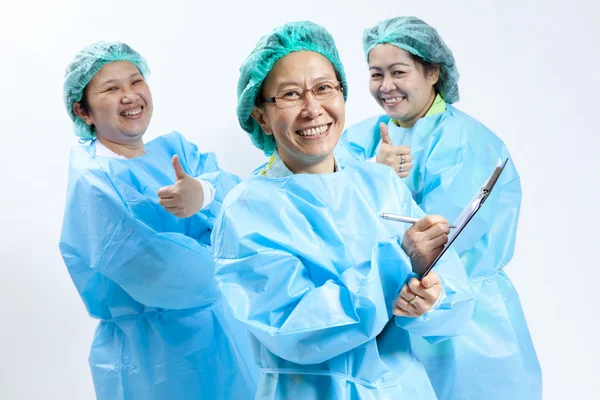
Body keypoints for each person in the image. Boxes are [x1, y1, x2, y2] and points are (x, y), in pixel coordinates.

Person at [212, 21, 475, 399]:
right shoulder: (248, 211)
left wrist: (428, 298)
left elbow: (451, 291)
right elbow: (294, 326)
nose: (312, 109)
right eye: (289, 95)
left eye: (324, 88)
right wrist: (398, 263)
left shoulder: (379, 183)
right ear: (260, 115)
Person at [336, 16, 542, 399]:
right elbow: (322, 206)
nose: (386, 87)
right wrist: (372, 174)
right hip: (391, 316)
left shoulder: (466, 145)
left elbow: (434, 246)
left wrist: (376, 188)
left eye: (398, 71)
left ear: (433, 71)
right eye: (375, 74)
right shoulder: (362, 139)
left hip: (464, 324)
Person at [59, 41, 257, 400]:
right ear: (83, 111)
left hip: (226, 335)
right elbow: (158, 268)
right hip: (155, 358)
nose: (130, 95)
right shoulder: (93, 178)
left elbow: (245, 205)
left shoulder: (176, 151)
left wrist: (204, 193)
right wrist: (244, 267)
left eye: (136, 82)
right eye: (112, 88)